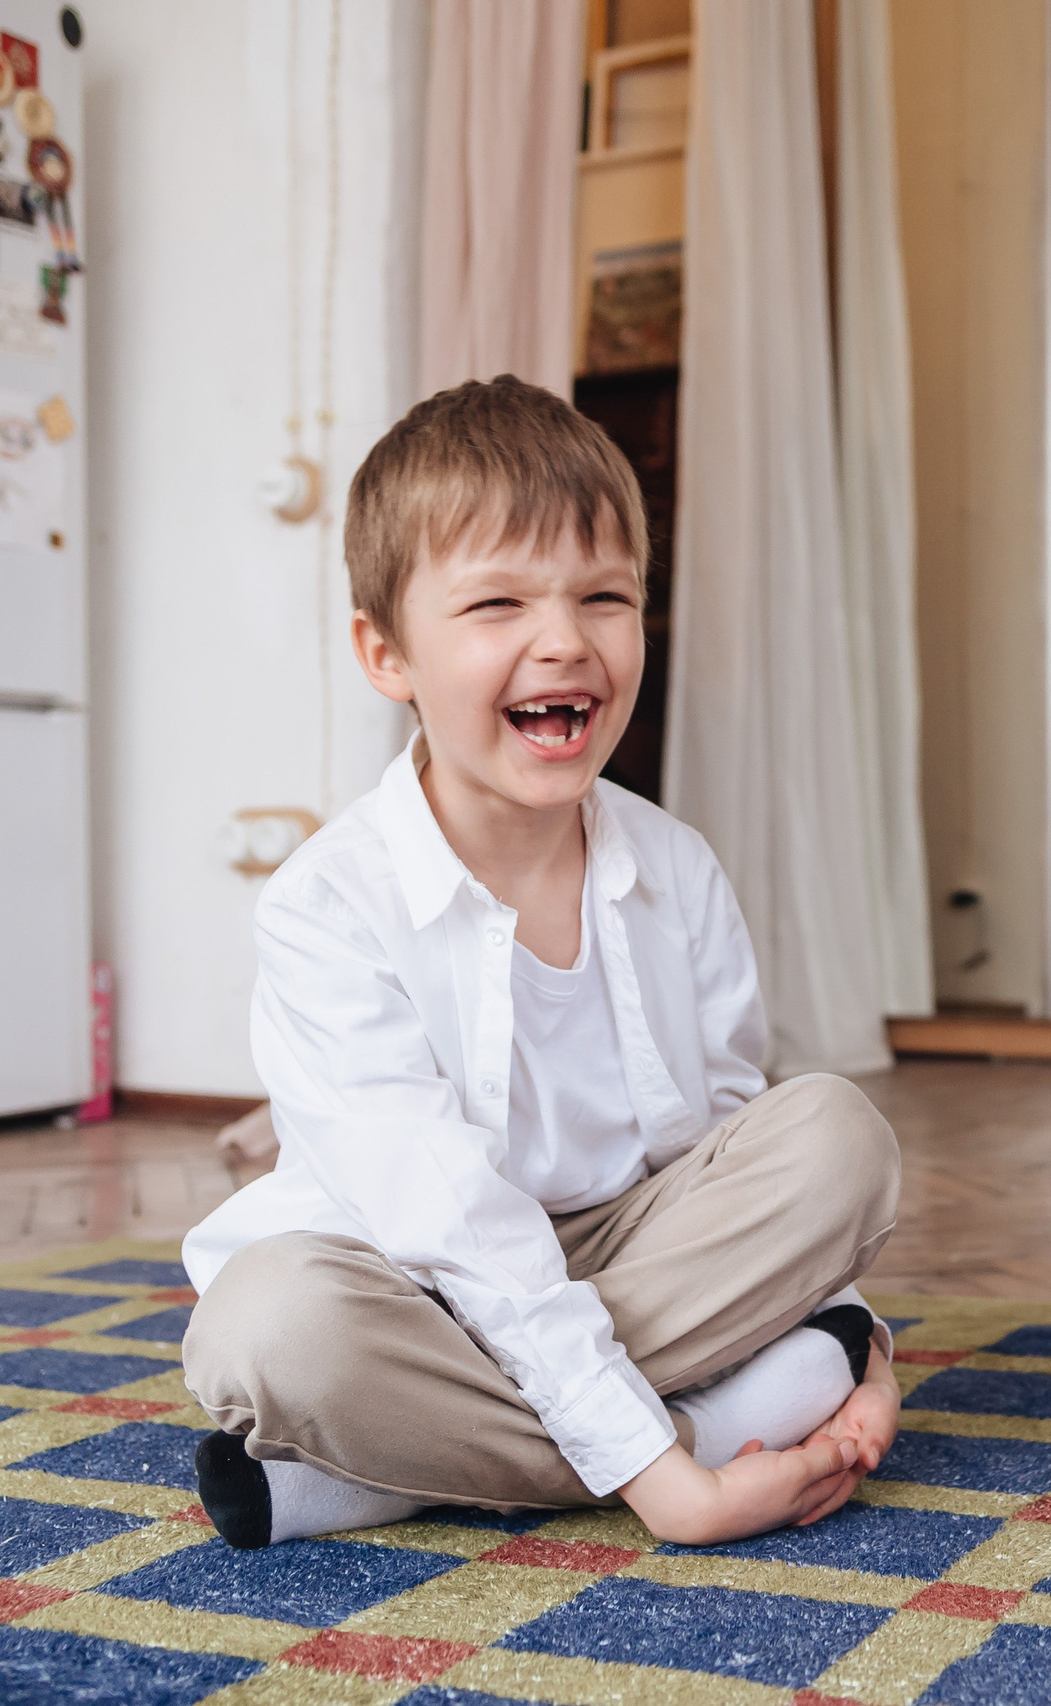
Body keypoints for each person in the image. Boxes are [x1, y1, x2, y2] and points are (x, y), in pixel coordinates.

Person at [180, 377, 903, 1550]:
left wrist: (861, 1336)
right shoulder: (326, 905)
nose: (564, 638)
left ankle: (383, 1478)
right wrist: (676, 1483)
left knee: (836, 1135)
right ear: (386, 653)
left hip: (641, 1252)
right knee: (267, 1327)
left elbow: (732, 1145)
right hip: (412, 1280)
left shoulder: (679, 870)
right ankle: (698, 1428)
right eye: (498, 602)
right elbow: (450, 1221)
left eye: (605, 596)